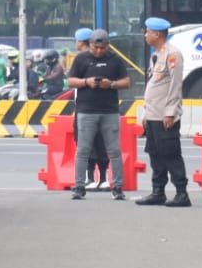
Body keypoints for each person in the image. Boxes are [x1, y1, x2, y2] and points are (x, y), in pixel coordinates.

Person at [67, 28, 130, 200]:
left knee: (114, 150)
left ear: (108, 46)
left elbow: (126, 82)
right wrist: (86, 82)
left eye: (103, 48)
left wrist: (110, 85)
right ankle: (79, 186)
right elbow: (71, 80)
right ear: (90, 45)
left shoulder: (115, 60)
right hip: (86, 110)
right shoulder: (81, 59)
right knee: (83, 150)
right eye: (96, 48)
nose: (99, 51)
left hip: (109, 110)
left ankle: (117, 186)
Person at [137, 16, 190, 207]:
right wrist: (145, 114)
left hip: (164, 115)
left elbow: (175, 86)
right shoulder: (157, 54)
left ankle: (181, 193)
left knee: (170, 154)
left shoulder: (173, 54)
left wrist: (170, 112)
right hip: (153, 114)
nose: (145, 35)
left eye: (148, 32)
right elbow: (154, 86)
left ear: (157, 34)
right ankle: (158, 191)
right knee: (155, 154)